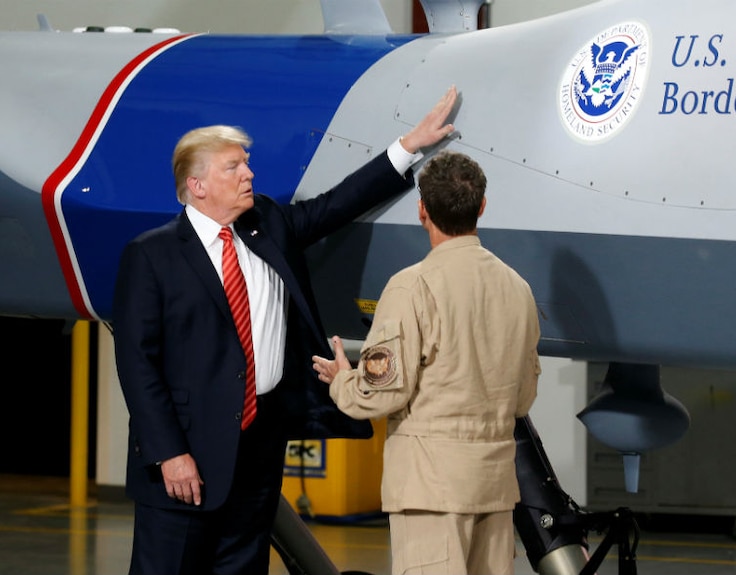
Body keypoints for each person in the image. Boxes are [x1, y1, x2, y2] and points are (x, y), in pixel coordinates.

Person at [111, 85, 458, 575]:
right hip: (185, 460)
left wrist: (410, 145)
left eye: (246, 163)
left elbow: (337, 204)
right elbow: (137, 365)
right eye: (233, 167)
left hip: (259, 451)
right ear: (197, 184)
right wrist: (170, 453)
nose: (249, 173)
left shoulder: (268, 223)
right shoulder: (151, 255)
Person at [312, 150, 541, 575]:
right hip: (493, 487)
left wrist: (344, 380)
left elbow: (382, 394)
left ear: (422, 209)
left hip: (430, 490)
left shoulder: (411, 287)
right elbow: (523, 397)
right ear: (482, 207)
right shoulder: (518, 289)